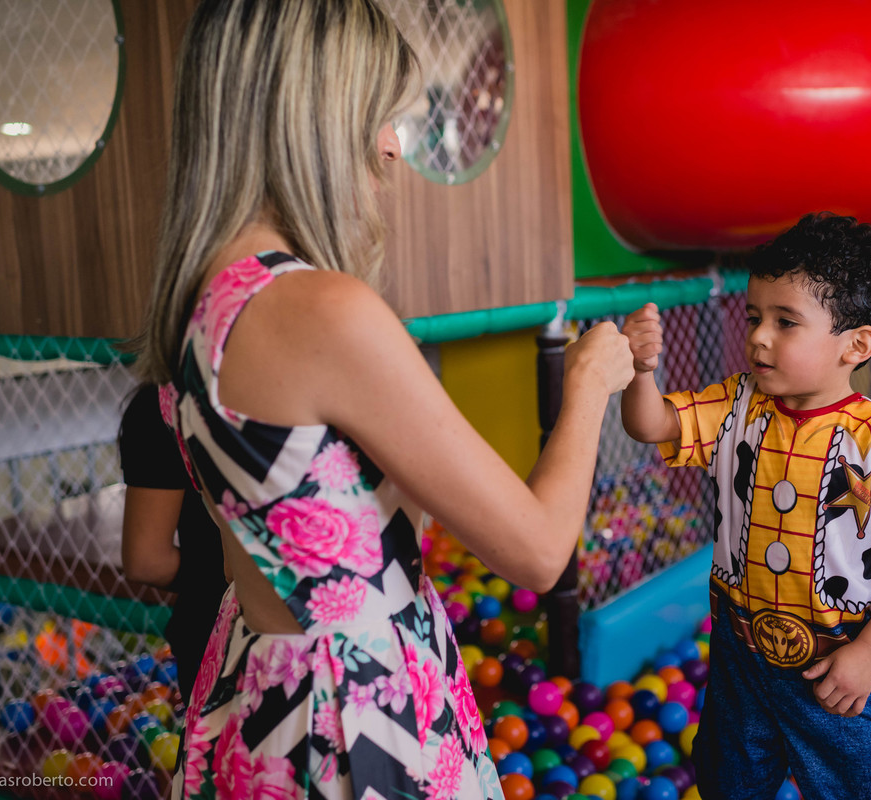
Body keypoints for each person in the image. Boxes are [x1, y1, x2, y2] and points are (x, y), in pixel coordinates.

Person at [130, 1, 634, 798]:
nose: (393, 146)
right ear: (309, 118)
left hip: (264, 687)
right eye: (379, 115)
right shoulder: (321, 311)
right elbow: (539, 551)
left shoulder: (201, 301)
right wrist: (589, 383)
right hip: (354, 710)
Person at [620, 212, 871, 800]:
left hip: (835, 658)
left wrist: (870, 652)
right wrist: (640, 372)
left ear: (856, 345)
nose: (758, 337)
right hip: (740, 650)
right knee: (729, 779)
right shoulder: (737, 405)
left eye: (786, 322)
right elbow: (652, 424)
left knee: (864, 788)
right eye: (754, 317)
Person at [118, 383, 229, 706]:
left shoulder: (163, 399)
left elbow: (147, 560)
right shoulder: (301, 387)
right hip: (315, 624)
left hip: (213, 628)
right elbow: (146, 560)